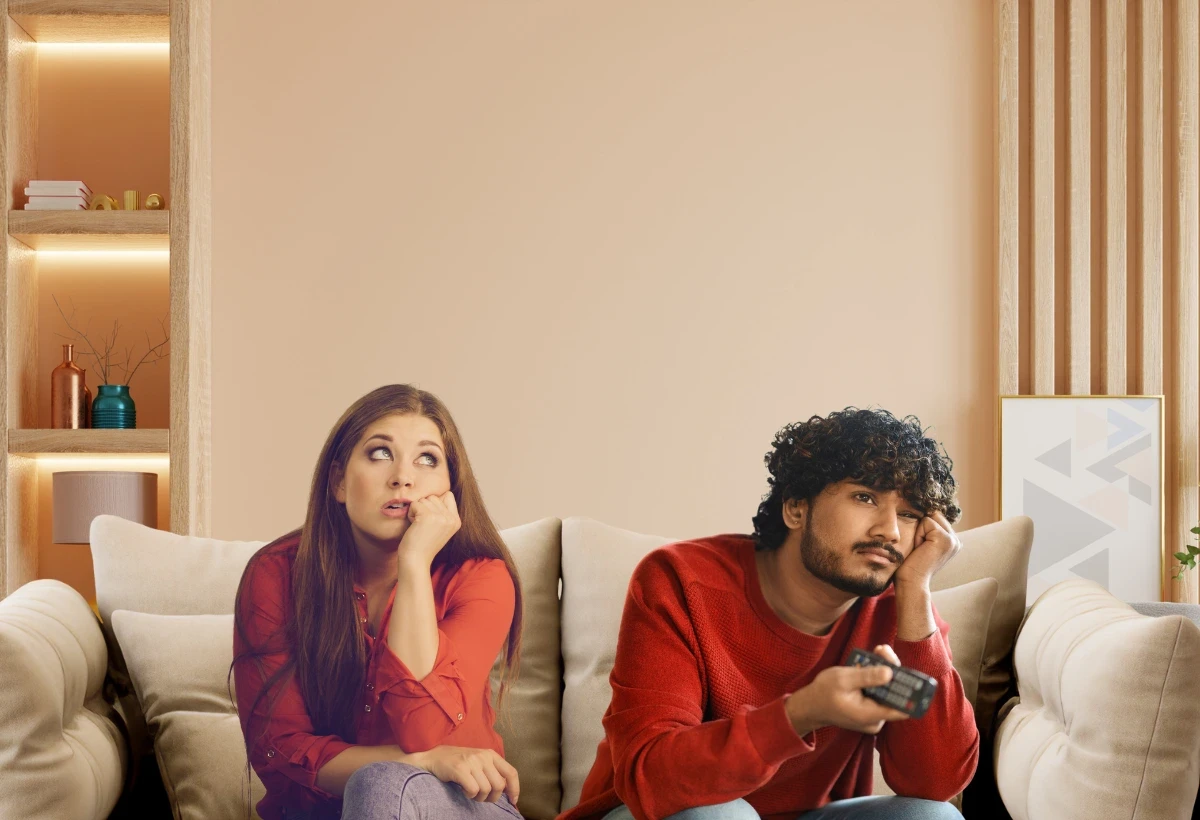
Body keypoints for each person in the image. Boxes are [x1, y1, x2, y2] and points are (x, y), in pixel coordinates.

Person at [560, 408, 979, 820]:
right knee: (719, 817)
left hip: (814, 814)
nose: (889, 530)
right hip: (658, 813)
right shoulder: (681, 581)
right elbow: (652, 780)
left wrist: (915, 588)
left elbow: (936, 784)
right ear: (796, 508)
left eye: (908, 514)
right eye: (864, 497)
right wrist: (799, 715)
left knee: (931, 817)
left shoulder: (901, 608)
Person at [232, 384, 524, 820]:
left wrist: (415, 563)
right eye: (380, 453)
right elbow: (280, 748)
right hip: (320, 812)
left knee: (380, 781)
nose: (403, 477)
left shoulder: (482, 578)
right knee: (379, 780)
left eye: (427, 459)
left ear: (450, 487)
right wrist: (420, 762)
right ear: (338, 482)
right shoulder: (276, 574)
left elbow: (423, 728)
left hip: (462, 805)